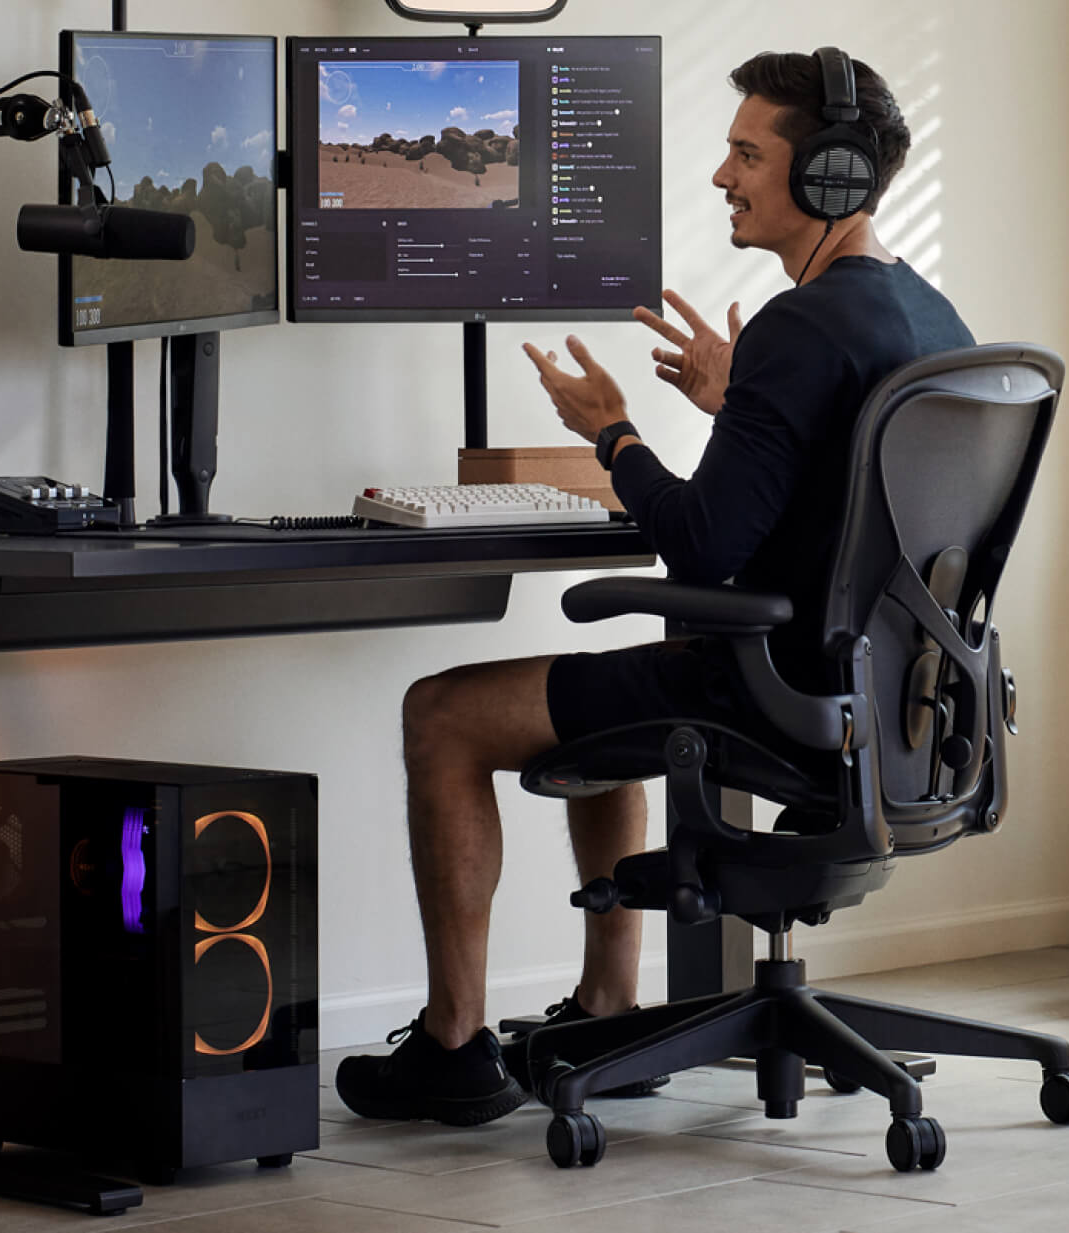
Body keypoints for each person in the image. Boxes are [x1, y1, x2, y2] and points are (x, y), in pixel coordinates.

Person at [335, 48, 973, 1126]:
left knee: (440, 713)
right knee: (612, 688)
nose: (723, 176)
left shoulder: (801, 328)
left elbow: (703, 549)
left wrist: (613, 432)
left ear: (830, 176)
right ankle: (609, 1006)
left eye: (747, 155)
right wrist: (740, 408)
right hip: (889, 704)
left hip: (764, 694)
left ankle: (451, 1046)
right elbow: (844, 501)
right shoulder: (933, 319)